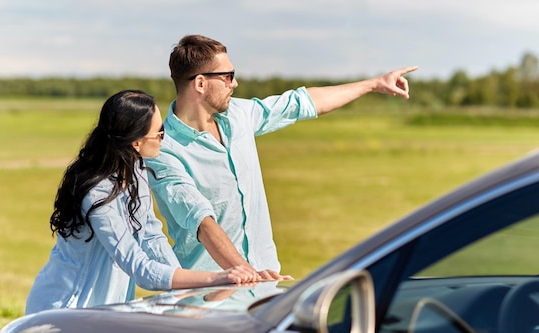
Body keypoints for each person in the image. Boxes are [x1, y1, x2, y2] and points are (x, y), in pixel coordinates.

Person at [146, 34, 417, 277]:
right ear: (201, 84)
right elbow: (202, 222)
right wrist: (247, 274)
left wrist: (375, 84)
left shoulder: (239, 116)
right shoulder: (165, 150)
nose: (235, 83)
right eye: (228, 76)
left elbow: (301, 103)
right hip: (208, 293)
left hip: (264, 282)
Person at [25, 90, 260, 315]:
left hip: (104, 311)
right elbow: (138, 266)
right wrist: (215, 278)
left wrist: (184, 286)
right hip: (66, 309)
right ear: (136, 142)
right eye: (159, 133)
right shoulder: (97, 194)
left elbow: (151, 236)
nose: (163, 138)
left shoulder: (136, 169)